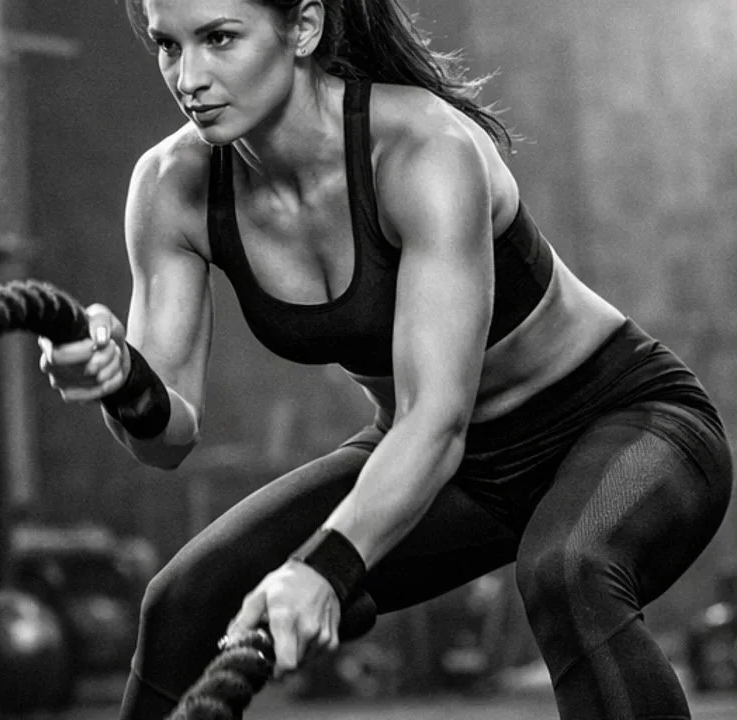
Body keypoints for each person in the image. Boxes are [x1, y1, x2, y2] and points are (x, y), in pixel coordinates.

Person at [38, 1, 734, 718]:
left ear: (303, 28)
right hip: (449, 466)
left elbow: (437, 419)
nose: (189, 77)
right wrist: (121, 382)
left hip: (626, 424)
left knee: (567, 572)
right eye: (167, 45)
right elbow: (168, 438)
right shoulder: (169, 186)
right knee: (185, 600)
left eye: (219, 39)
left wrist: (325, 571)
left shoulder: (421, 147)